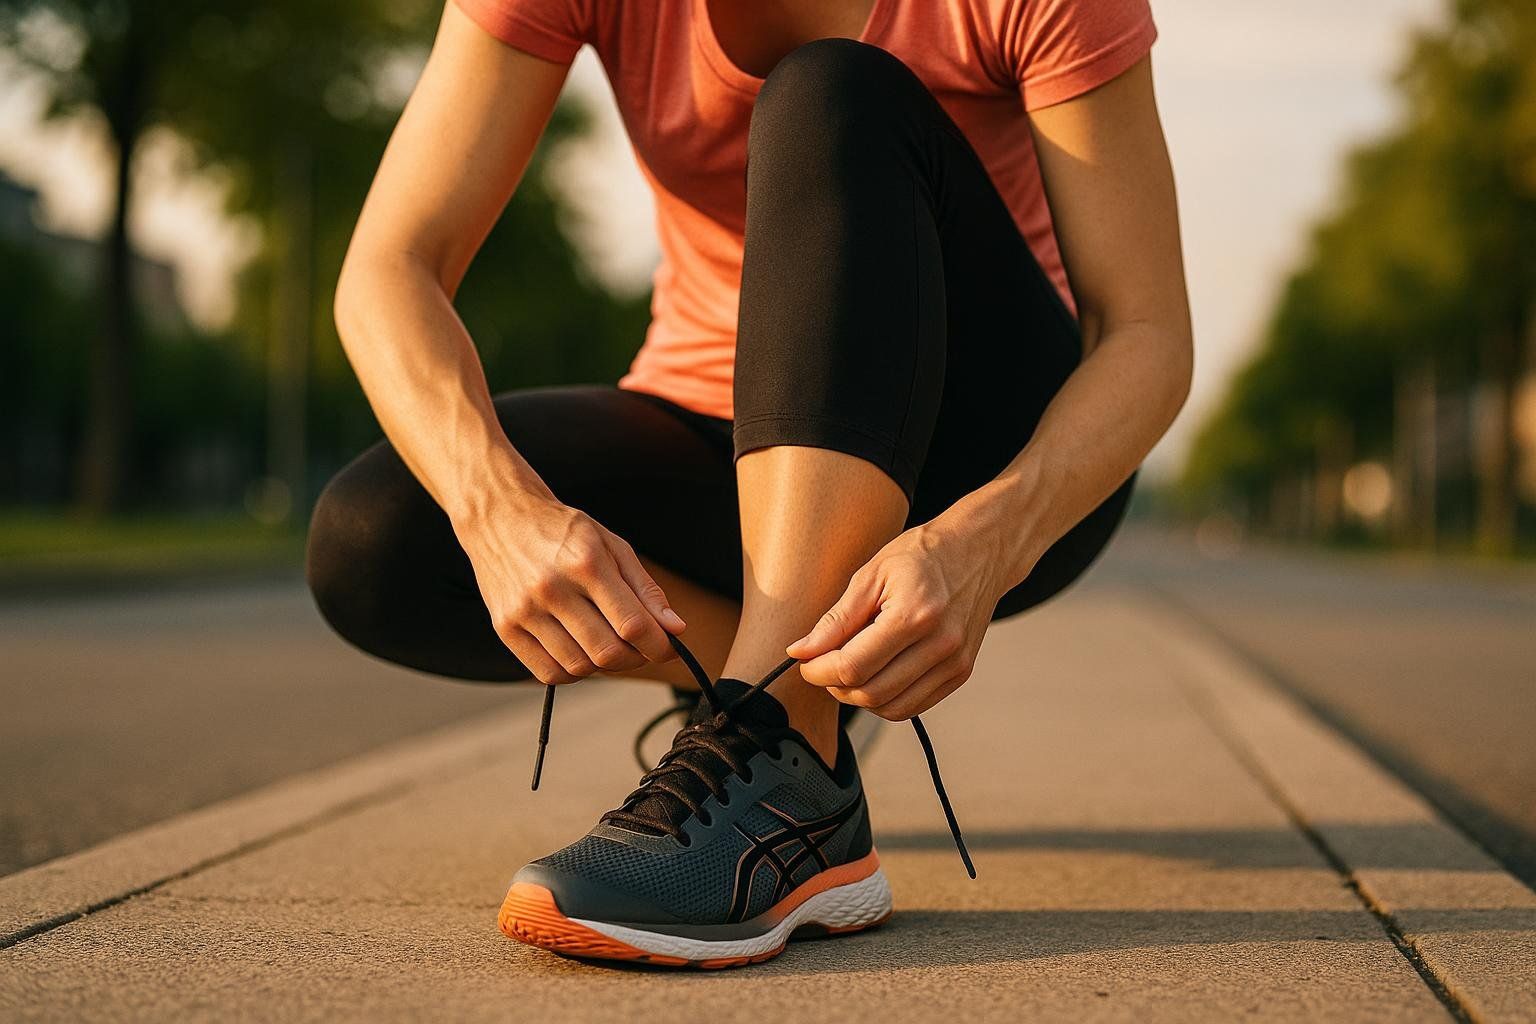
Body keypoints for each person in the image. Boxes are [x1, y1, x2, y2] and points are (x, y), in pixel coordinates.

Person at [307, 0, 1192, 968]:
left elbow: (1145, 333)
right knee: (377, 535)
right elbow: (390, 266)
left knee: (830, 86)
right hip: (712, 422)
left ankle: (783, 753)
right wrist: (498, 510)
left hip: (979, 442)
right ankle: (786, 684)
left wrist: (984, 539)